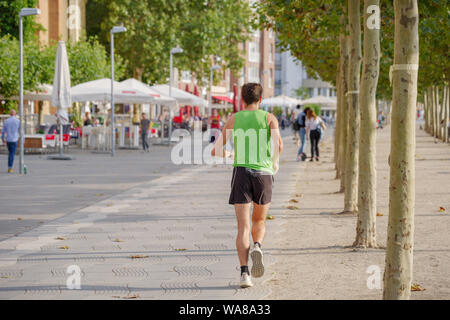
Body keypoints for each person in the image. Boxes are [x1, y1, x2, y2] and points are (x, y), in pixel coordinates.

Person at [211, 83, 283, 288]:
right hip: (264, 174)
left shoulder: (235, 118)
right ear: (261, 100)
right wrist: (273, 164)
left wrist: (230, 154)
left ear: (242, 99)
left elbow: (216, 151)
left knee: (243, 227)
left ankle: (244, 274)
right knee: (259, 220)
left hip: (241, 173)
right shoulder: (270, 118)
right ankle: (258, 246)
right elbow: (279, 146)